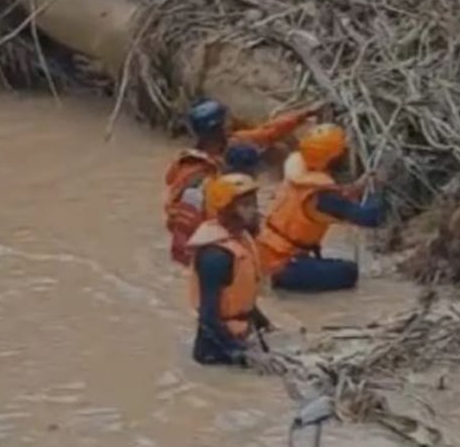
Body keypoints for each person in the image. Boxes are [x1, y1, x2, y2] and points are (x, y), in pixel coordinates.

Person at [164, 98, 323, 265]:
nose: (230, 123)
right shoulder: (195, 174)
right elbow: (183, 221)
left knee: (278, 150)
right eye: (225, 122)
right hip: (208, 231)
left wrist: (303, 115)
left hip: (230, 215)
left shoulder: (233, 144)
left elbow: (269, 132)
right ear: (216, 129)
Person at [258, 123, 385, 292]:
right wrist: (382, 190)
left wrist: (358, 187)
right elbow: (370, 218)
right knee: (349, 272)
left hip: (267, 253)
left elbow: (337, 200)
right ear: (332, 159)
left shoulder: (299, 175)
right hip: (283, 264)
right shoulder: (323, 197)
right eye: (343, 153)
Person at [187, 173, 275, 367]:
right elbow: (208, 319)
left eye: (253, 203)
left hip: (241, 334)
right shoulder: (215, 256)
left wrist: (265, 325)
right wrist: (239, 352)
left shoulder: (240, 239)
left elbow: (241, 300)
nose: (253, 211)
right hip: (215, 352)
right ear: (227, 210)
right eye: (245, 206)